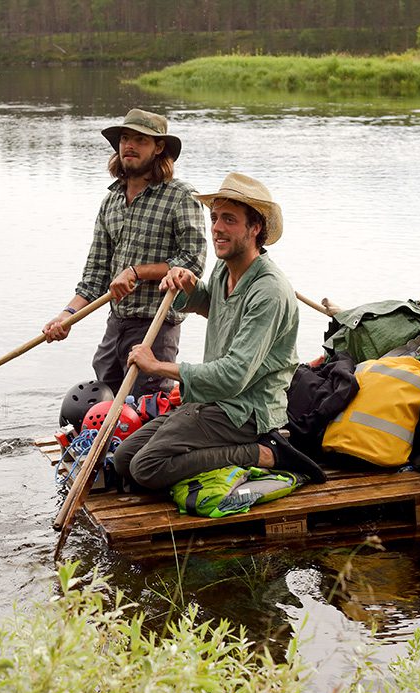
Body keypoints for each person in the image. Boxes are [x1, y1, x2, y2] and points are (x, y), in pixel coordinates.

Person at [112, 173, 326, 490]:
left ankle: (265, 454)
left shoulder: (269, 291)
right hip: (213, 401)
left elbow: (233, 375)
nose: (216, 228)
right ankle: (218, 446)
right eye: (214, 218)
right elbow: (214, 305)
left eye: (229, 220)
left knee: (146, 467)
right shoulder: (224, 266)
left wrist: (157, 366)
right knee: (123, 460)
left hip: (247, 411)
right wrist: (189, 286)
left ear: (255, 228)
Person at [42, 108, 207, 398]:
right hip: (115, 324)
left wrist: (137, 272)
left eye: (141, 140)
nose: (129, 145)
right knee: (103, 401)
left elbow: (192, 262)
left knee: (145, 407)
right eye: (125, 138)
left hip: (156, 327)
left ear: (158, 148)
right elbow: (95, 276)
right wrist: (66, 316)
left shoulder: (181, 196)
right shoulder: (111, 201)